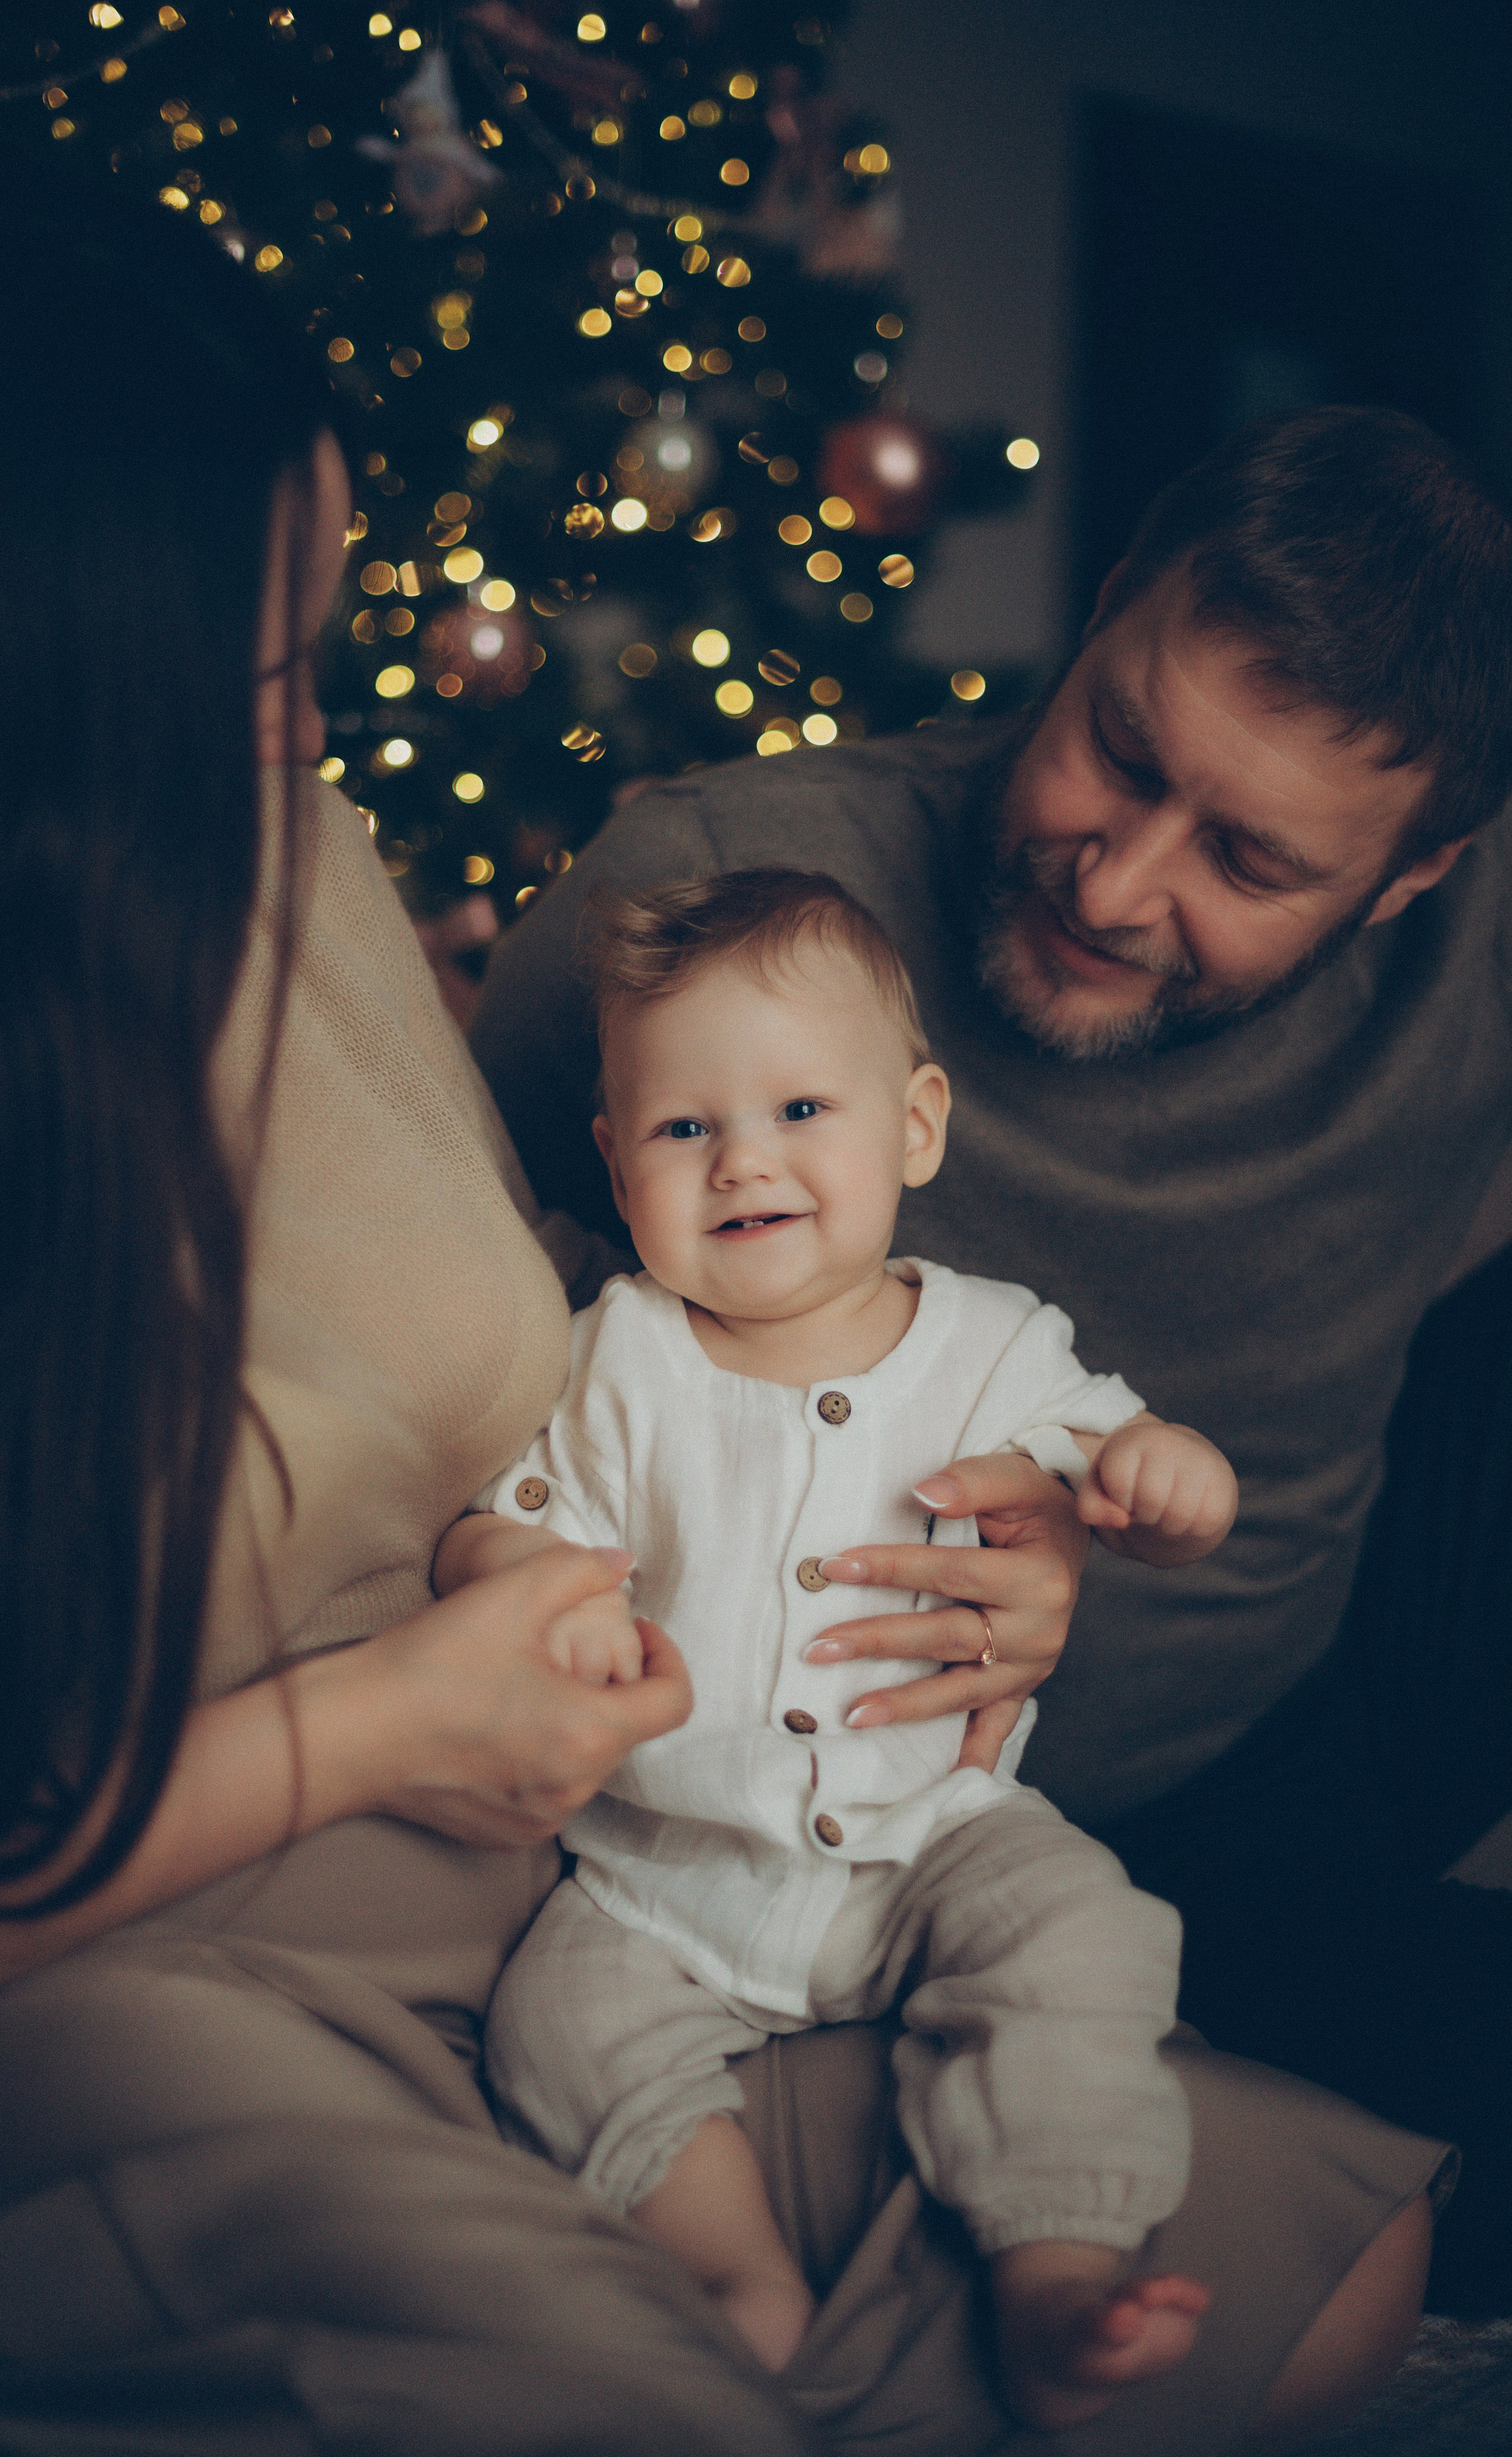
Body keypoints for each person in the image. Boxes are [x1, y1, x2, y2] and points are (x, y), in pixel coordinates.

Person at [0, 155, 1448, 2457]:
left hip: (549, 1915)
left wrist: (975, 1557)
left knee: (1307, 2232)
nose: (303, 749)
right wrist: (390, 1720)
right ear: (18, 696)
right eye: (254, 674)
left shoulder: (273, 852)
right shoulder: (677, 881)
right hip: (139, 1968)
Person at [469, 402, 1512, 2313]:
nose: (1117, 888)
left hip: (1273, 1745)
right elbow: (459, 1338)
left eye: (1250, 865)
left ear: (1417, 879)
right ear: (1106, 606)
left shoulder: (1479, 959)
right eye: (1120, 750)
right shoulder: (718, 899)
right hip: (761, 1816)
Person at [443, 868, 1237, 2423]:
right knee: (553, 2026)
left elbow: (1126, 1458)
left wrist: (1170, 1484)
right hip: (659, 1869)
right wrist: (525, 1577)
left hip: (926, 1836)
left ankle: (1056, 2254)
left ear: (915, 1126)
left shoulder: (995, 1342)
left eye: (802, 1106)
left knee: (1083, 1925)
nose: (743, 1157)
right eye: (683, 1130)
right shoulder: (620, 1358)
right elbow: (510, 1514)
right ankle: (730, 2270)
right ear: (618, 1165)